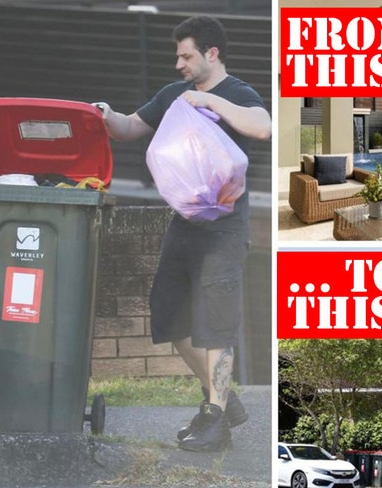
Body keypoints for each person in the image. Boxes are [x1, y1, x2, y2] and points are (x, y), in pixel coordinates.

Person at [95, 15, 271, 452]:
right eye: (178, 56)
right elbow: (131, 128)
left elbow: (262, 127)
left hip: (224, 230)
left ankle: (215, 419)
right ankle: (222, 400)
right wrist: (105, 115)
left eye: (186, 55)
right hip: (184, 225)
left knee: (216, 325)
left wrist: (207, 103)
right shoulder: (173, 94)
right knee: (169, 315)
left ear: (212, 53)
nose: (179, 64)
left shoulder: (237, 93)